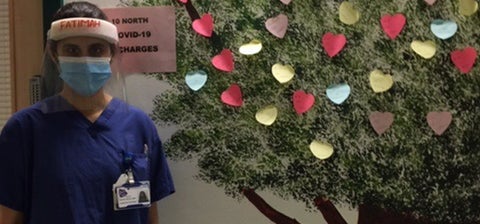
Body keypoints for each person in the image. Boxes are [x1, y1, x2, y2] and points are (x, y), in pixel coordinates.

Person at [0, 2, 175, 224]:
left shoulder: (138, 126)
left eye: (96, 50)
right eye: (72, 51)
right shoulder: (24, 129)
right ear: (55, 55)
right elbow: (10, 219)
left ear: (111, 54)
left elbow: (150, 216)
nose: (85, 60)